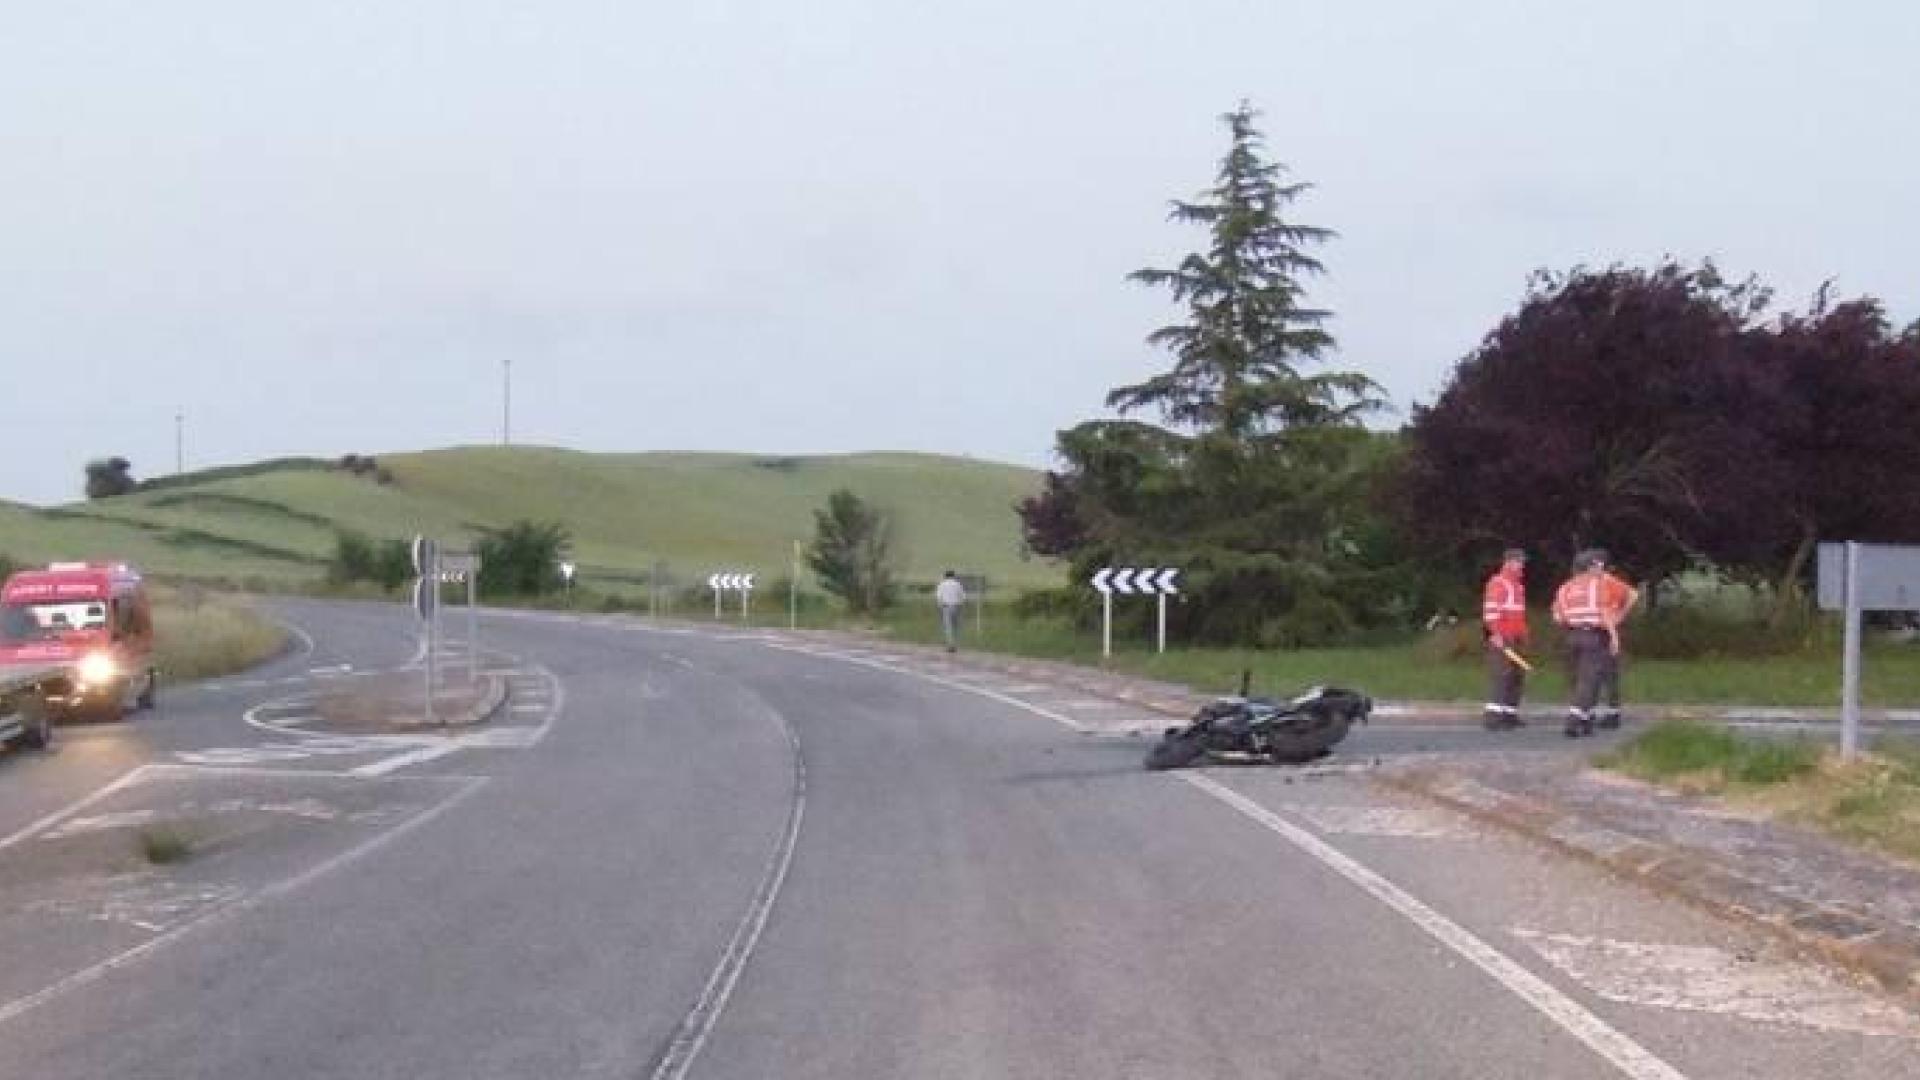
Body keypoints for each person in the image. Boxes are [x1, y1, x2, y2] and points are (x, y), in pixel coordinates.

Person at [1551, 548, 1640, 738]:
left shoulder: (1565, 587)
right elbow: (1604, 612)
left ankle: (1586, 720)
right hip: (1595, 635)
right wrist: (1614, 634)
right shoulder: (1598, 585)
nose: (1602, 568)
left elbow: (1558, 616)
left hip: (1571, 635)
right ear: (1591, 567)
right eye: (1598, 564)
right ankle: (1574, 719)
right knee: (1589, 679)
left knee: (1577, 679)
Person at [1481, 548, 1530, 730]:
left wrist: (1524, 635)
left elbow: (1519, 614)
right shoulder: (1498, 583)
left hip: (1517, 638)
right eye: (1519, 562)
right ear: (1508, 562)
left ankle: (1509, 713)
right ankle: (1493, 716)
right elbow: (1491, 611)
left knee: (1516, 675)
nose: (1522, 565)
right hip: (1503, 637)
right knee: (1501, 674)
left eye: (1522, 562)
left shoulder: (1518, 586)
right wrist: (1495, 634)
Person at [935, 570, 967, 653]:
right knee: (956, 627)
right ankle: (956, 644)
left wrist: (940, 607)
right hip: (957, 606)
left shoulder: (942, 584)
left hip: (946, 606)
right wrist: (961, 606)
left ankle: (950, 645)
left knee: (948, 627)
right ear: (953, 576)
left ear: (945, 576)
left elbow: (939, 597)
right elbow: (963, 597)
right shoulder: (958, 584)